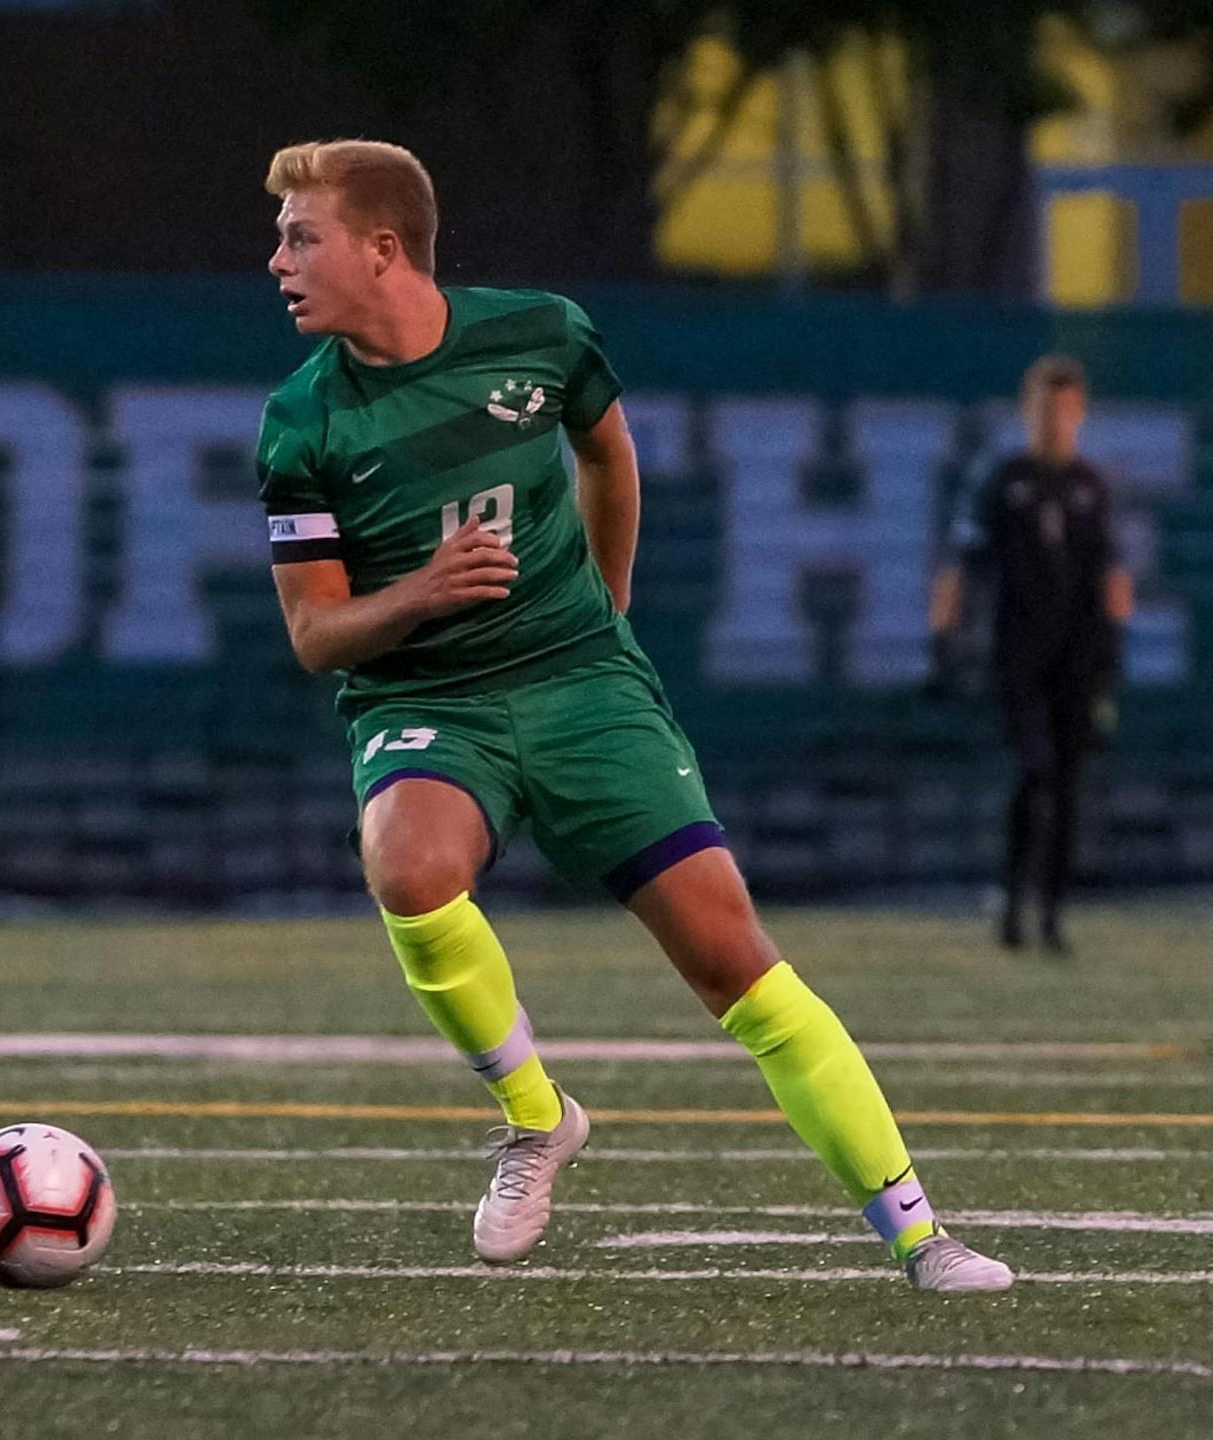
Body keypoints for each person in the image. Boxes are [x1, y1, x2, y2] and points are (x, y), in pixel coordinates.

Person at [256, 139, 1010, 1292]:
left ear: (382, 248)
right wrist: (419, 592)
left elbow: (608, 455)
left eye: (301, 237)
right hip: (428, 702)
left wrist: (605, 613)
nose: (278, 261)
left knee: (732, 960)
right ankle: (534, 1116)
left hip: (581, 685)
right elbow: (315, 635)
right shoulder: (301, 424)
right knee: (408, 869)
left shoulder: (542, 334)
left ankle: (921, 1235)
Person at [931, 356, 1129, 955]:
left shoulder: (1091, 487)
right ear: (1029, 411)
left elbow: (1113, 573)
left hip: (1077, 656)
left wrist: (1113, 645)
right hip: (1017, 652)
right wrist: (945, 637)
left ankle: (1052, 912)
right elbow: (960, 563)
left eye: (1065, 408)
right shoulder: (1004, 480)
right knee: (1034, 769)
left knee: (1066, 783)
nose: (1055, 420)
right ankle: (1014, 899)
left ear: (1080, 413)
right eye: (1045, 408)